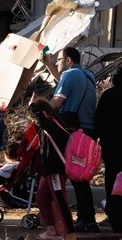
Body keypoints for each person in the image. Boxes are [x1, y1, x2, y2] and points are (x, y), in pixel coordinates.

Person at [40, 46, 98, 232]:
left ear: (68, 60)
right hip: (88, 132)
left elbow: (57, 103)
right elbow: (69, 87)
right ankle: (88, 220)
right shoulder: (87, 76)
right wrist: (50, 66)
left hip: (74, 131)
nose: (56, 61)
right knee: (81, 176)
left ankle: (83, 220)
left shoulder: (69, 76)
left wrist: (39, 107)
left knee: (75, 176)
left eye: (58, 59)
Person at [30, 98, 74, 239]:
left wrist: (36, 111)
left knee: (59, 200)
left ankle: (70, 233)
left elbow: (43, 122)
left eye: (36, 117)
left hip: (56, 170)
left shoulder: (52, 124)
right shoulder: (52, 124)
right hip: (49, 170)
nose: (35, 121)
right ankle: (51, 230)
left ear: (42, 113)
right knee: (41, 197)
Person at [94, 68, 122, 233]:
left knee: (112, 183)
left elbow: (98, 121)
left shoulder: (109, 96)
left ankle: (115, 218)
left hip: (111, 149)